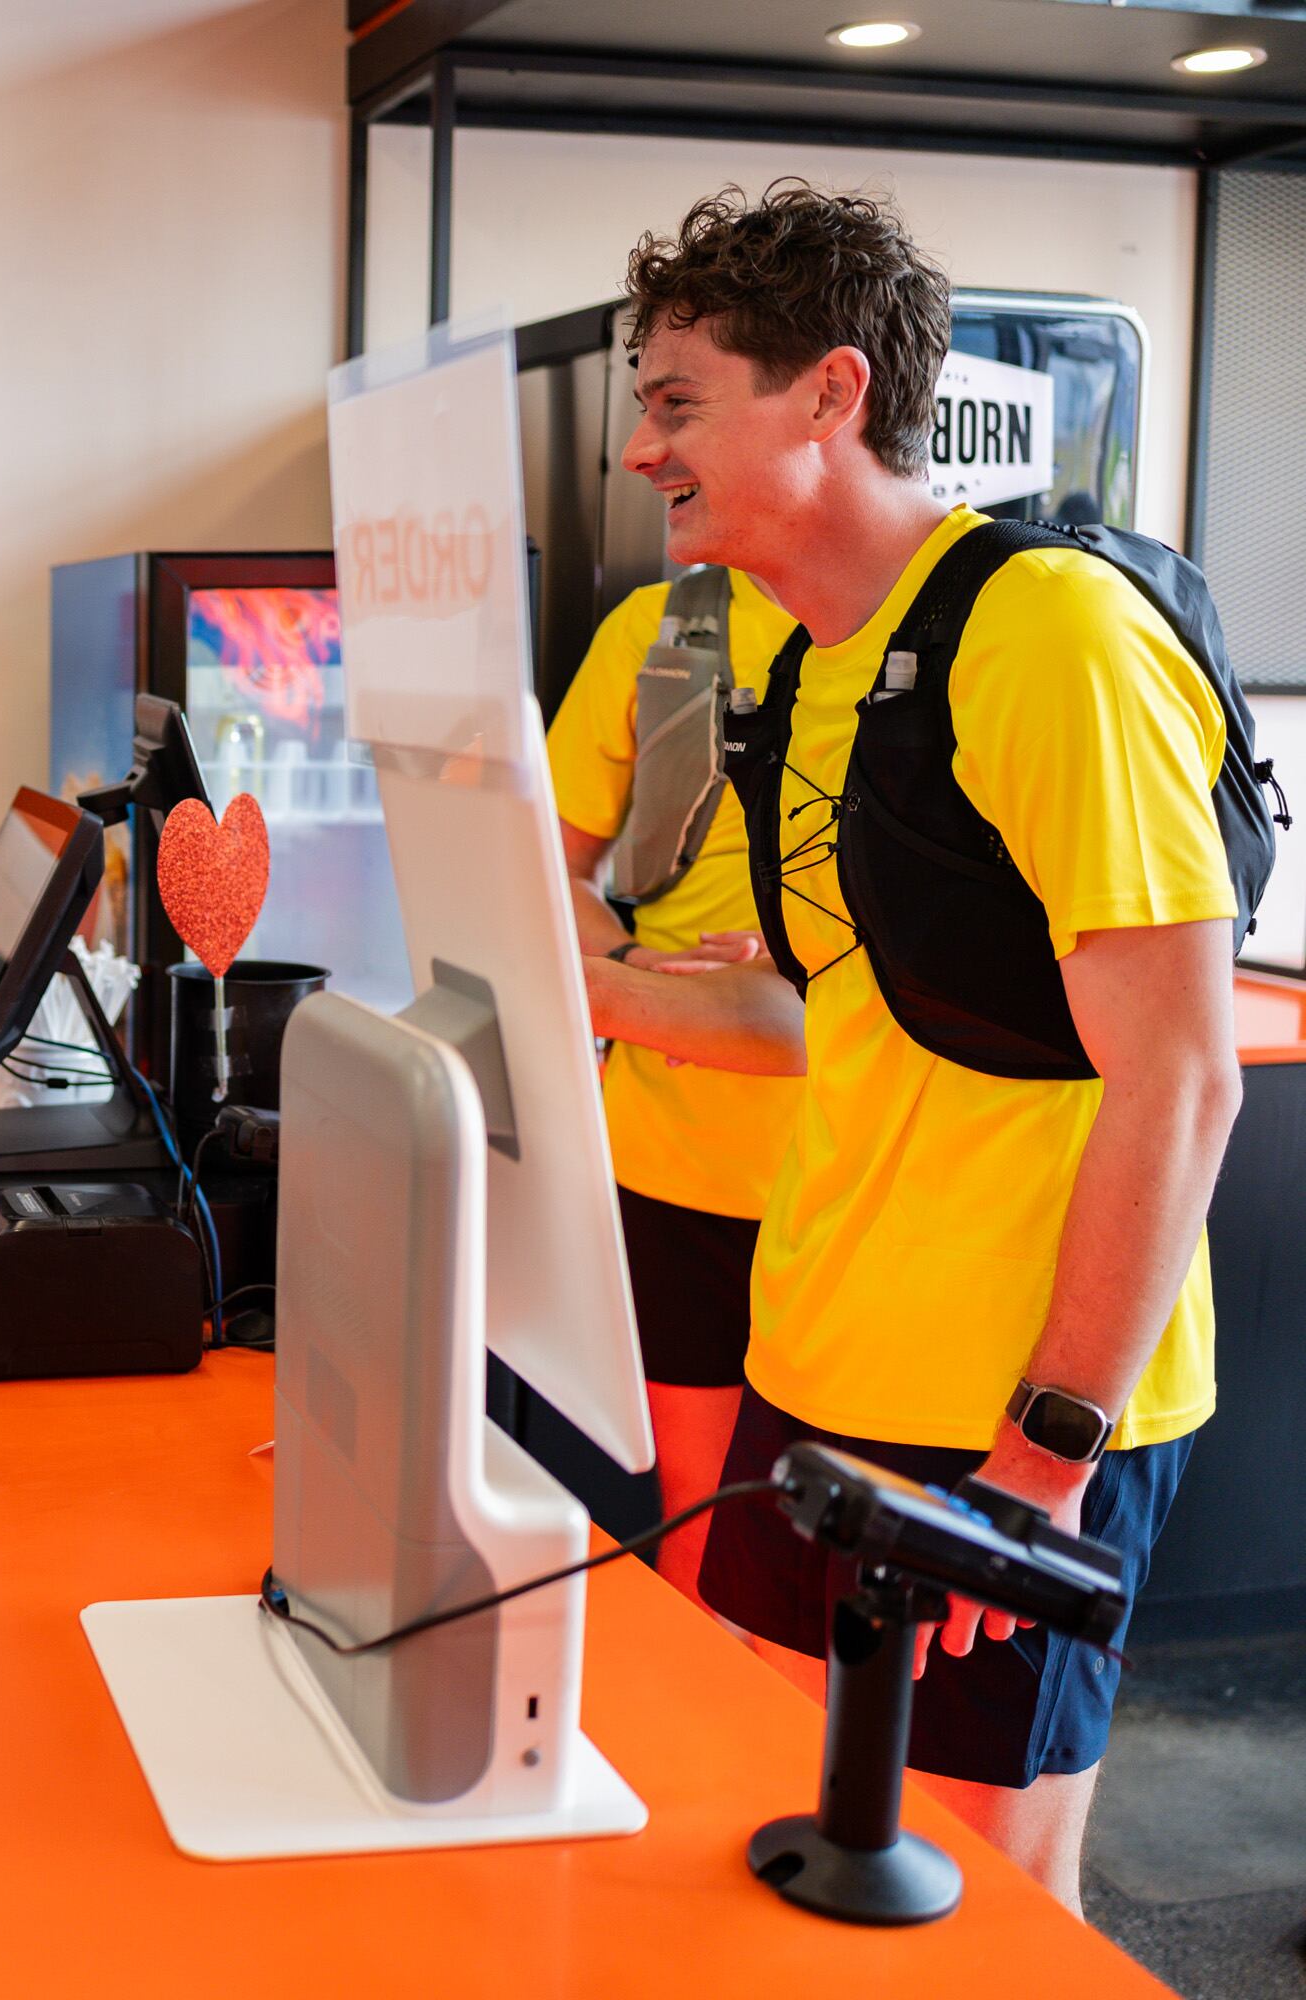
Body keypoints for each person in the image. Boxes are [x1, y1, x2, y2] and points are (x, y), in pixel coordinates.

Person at [582, 184, 1242, 1913]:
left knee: (984, 1905)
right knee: (793, 1860)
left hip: (1001, 1414)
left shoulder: (1049, 637)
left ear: (831, 394)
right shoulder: (805, 667)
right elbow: (823, 1022)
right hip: (824, 1368)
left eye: (676, 402)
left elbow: (1182, 1073)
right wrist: (570, 972)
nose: (640, 450)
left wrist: (1043, 1457)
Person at [545, 567, 801, 1614]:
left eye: (683, 403)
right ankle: (723, 1777)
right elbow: (547, 869)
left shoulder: (944, 621)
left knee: (844, 1542)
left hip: (875, 1172)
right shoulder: (652, 633)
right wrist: (644, 975)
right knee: (701, 1509)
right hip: (674, 1154)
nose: (652, 449)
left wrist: (814, 958)